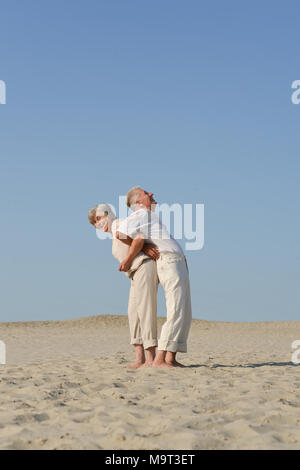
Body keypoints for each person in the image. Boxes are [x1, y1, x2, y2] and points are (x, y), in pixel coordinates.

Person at [117, 187, 192, 368]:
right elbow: (120, 233)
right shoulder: (140, 214)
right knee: (176, 308)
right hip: (169, 260)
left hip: (178, 261)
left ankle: (170, 358)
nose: (151, 194)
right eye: (146, 193)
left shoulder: (149, 216)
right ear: (138, 202)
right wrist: (142, 249)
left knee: (184, 311)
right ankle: (159, 359)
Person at [88, 203, 160, 368]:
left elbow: (140, 238)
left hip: (143, 266)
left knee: (145, 310)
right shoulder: (115, 231)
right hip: (134, 274)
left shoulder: (120, 224)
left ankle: (150, 358)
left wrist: (129, 259)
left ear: (107, 214)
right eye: (94, 223)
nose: (98, 224)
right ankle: (139, 359)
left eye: (98, 219)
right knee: (133, 313)